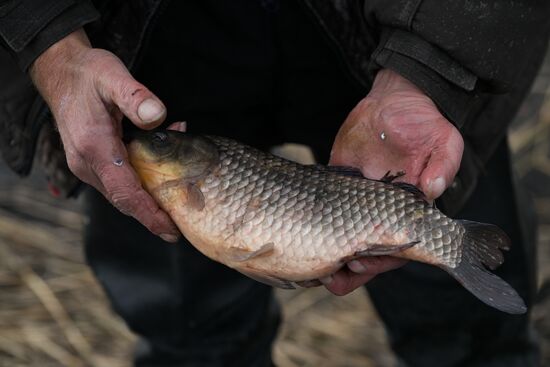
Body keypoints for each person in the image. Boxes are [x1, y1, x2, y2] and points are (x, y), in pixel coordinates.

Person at [1, 0, 549, 366]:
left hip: (397, 22)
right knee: (192, 334)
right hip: (145, 43)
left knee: (471, 336)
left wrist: (429, 69)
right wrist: (53, 43)